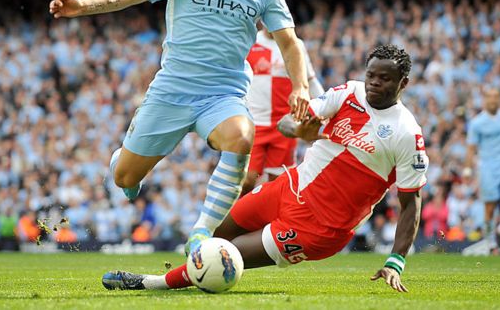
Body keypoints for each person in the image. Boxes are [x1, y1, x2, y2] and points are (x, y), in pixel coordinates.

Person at [48, 0, 310, 253]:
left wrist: (301, 87)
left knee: (241, 137)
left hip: (223, 93)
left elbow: (290, 44)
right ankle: (121, 161)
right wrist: (82, 5)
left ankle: (202, 234)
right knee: (124, 178)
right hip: (172, 90)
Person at [102, 44, 428, 293]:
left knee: (224, 255)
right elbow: (292, 120)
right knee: (212, 237)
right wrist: (298, 127)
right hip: (287, 188)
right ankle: (189, 271)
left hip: (319, 227)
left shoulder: (406, 134)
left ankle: (150, 283)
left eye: (384, 79)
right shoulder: (349, 92)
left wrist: (395, 260)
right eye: (371, 75)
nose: (373, 83)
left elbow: (410, 203)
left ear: (403, 83)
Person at [243, 25, 324, 195]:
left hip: (284, 125)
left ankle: (269, 221)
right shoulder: (250, 41)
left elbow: (310, 79)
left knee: (278, 183)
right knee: (247, 179)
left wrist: (325, 104)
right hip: (254, 123)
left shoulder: (295, 44)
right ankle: (236, 218)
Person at [464, 87, 500, 253]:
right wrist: (467, 169)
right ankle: (491, 243)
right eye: (489, 97)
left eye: (496, 97)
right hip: (488, 167)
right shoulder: (477, 123)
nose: (493, 100)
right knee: (490, 207)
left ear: (499, 99)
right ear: (484, 100)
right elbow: (471, 148)